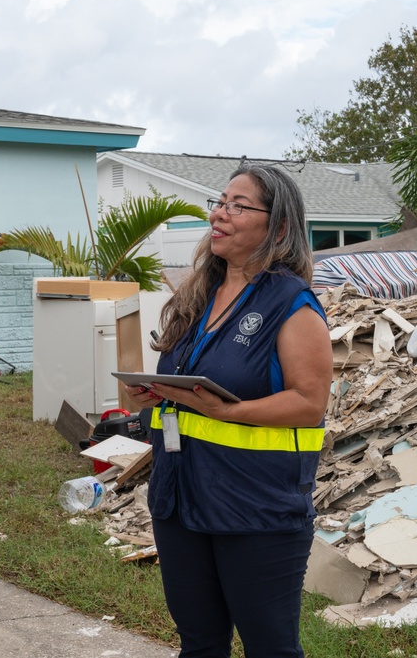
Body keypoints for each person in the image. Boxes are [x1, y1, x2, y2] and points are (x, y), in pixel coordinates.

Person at [123, 163, 332, 657]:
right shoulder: (199, 296)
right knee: (199, 644)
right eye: (219, 202)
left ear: (277, 227)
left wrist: (225, 413)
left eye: (238, 206)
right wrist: (152, 395)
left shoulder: (292, 306)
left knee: (270, 648)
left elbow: (309, 403)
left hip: (257, 510)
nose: (220, 214)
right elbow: (181, 385)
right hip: (179, 500)